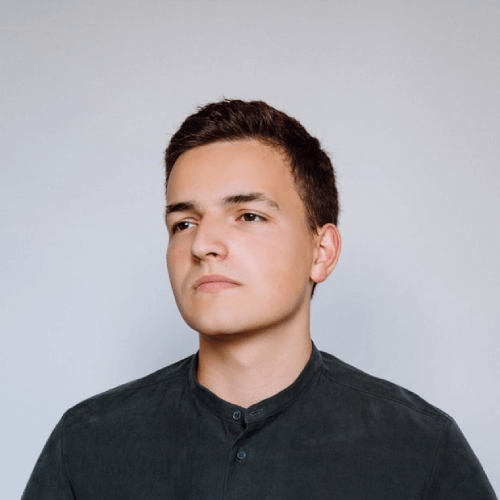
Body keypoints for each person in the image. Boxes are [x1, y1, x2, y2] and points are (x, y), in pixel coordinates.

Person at [22, 100, 496, 499]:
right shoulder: (86, 443)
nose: (203, 244)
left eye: (248, 216)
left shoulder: (420, 447)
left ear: (321, 252)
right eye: (183, 223)